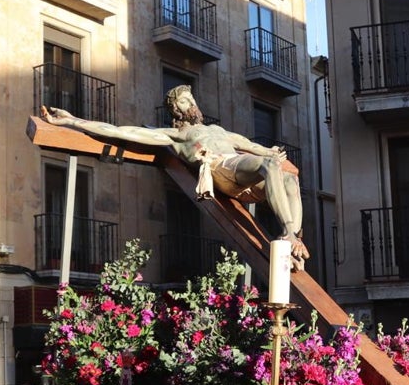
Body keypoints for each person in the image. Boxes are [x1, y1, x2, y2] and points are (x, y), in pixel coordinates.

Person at [41, 85, 308, 265]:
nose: (190, 102)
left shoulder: (219, 130)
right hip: (222, 168)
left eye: (191, 98)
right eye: (184, 100)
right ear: (175, 110)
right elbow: (121, 131)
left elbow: (253, 146)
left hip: (242, 167)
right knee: (269, 166)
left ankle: (295, 244)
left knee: (289, 179)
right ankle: (289, 233)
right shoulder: (177, 136)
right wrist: (71, 121)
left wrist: (271, 151)